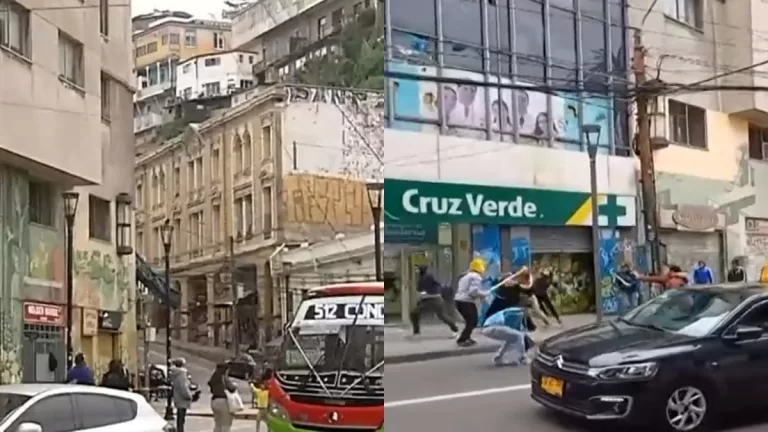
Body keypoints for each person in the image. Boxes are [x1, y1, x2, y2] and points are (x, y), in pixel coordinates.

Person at [410, 265, 459, 336]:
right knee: (414, 313)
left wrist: (428, 292)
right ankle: (416, 331)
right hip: (426, 300)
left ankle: (455, 328)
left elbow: (436, 285)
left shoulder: (427, 276)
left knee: (442, 316)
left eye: (417, 269)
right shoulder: (422, 277)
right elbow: (420, 288)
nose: (416, 271)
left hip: (435, 299)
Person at [454, 258, 488, 347]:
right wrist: (484, 294)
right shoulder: (476, 277)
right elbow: (473, 291)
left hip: (460, 301)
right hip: (466, 301)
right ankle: (462, 339)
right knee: (472, 321)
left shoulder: (466, 275)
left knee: (472, 321)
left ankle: (467, 337)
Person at [209, 362, 238, 432]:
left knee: (218, 424)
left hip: (214, 401)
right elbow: (231, 388)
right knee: (226, 424)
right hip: (223, 401)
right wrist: (235, 385)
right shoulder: (223, 376)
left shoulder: (214, 377)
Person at [170, 358, 194, 432]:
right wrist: (189, 396)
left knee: (180, 418)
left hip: (177, 397)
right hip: (183, 398)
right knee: (181, 418)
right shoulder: (182, 373)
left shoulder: (174, 373)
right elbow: (183, 386)